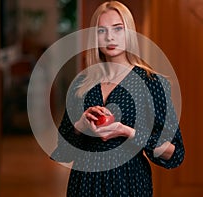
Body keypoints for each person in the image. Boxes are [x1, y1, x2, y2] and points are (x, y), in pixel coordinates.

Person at [51, 1, 185, 196]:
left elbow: (175, 152)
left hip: (129, 181)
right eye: (102, 31)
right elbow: (63, 151)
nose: (110, 37)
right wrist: (81, 124)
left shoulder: (151, 83)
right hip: (84, 182)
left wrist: (128, 132)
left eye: (118, 29)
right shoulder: (81, 84)